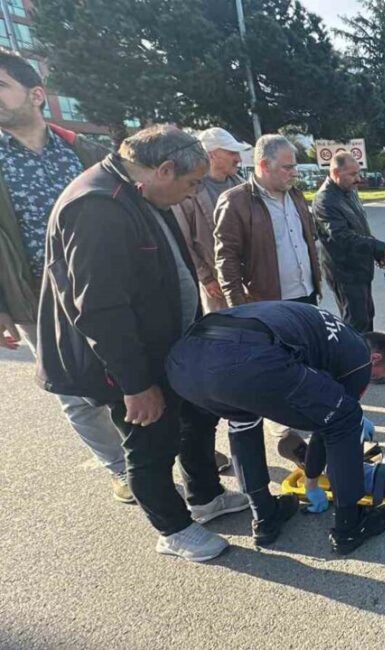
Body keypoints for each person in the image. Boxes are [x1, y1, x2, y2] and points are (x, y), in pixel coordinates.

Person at [36, 126, 249, 561]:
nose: (193, 196)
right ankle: (173, 530)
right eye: (190, 185)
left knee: (195, 419)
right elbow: (100, 308)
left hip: (167, 346)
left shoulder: (140, 192)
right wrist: (135, 384)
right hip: (127, 360)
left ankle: (206, 497)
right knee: (151, 441)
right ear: (164, 168)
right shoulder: (98, 206)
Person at [0, 53, 132, 503]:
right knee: (74, 391)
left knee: (132, 370)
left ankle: (161, 446)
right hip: (35, 299)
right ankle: (121, 468)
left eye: (2, 86)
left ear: (36, 95)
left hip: (105, 288)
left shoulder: (85, 152)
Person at [166, 300, 385, 553]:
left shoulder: (333, 332)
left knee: (243, 418)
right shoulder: (358, 359)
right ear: (375, 358)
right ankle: (350, 526)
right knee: (345, 417)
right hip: (249, 355)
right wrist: (311, 483)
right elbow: (329, 427)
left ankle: (265, 517)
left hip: (184, 362)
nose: (378, 378)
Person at [214, 134, 321, 307]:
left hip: (307, 295)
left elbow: (310, 240)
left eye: (295, 166)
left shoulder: (296, 196)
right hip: (268, 303)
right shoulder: (235, 202)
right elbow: (227, 260)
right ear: (264, 165)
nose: (295, 173)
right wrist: (239, 307)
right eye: (287, 167)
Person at [312, 151, 385, 334]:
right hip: (345, 272)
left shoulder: (349, 191)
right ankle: (356, 362)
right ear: (335, 173)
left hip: (360, 268)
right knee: (355, 325)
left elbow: (360, 227)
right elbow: (341, 237)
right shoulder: (325, 200)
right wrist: (376, 247)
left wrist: (375, 252)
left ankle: (368, 358)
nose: (358, 179)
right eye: (352, 174)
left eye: (358, 173)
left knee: (366, 317)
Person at [171, 127, 249, 314]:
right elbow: (183, 240)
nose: (238, 158)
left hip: (247, 279)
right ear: (212, 155)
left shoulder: (241, 186)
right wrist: (206, 278)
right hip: (217, 285)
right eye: (231, 152)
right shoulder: (190, 190)